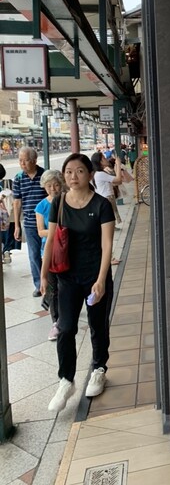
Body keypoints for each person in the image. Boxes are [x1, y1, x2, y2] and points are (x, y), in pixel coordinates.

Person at [40, 153, 115, 413]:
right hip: (67, 277)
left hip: (95, 276)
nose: (73, 176)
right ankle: (66, 380)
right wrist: (44, 274)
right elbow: (51, 239)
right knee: (65, 327)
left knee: (97, 325)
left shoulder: (102, 205)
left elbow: (107, 245)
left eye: (80, 171)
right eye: (69, 171)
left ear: (90, 174)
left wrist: (102, 279)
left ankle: (99, 369)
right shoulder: (59, 202)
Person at [35, 170, 65, 342]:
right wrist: (59, 231)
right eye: (49, 186)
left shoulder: (67, 201)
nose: (53, 189)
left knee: (66, 286)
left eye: (56, 185)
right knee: (52, 289)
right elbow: (40, 231)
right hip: (49, 252)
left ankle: (68, 314)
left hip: (67, 250)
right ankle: (56, 322)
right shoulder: (41, 206)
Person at [13, 147, 46, 296]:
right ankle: (39, 286)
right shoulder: (19, 178)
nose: (22, 163)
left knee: (48, 253)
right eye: (20, 160)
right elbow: (17, 203)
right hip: (30, 224)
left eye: (25, 160)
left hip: (46, 223)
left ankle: (51, 282)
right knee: (34, 255)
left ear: (34, 160)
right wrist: (17, 225)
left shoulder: (44, 175)